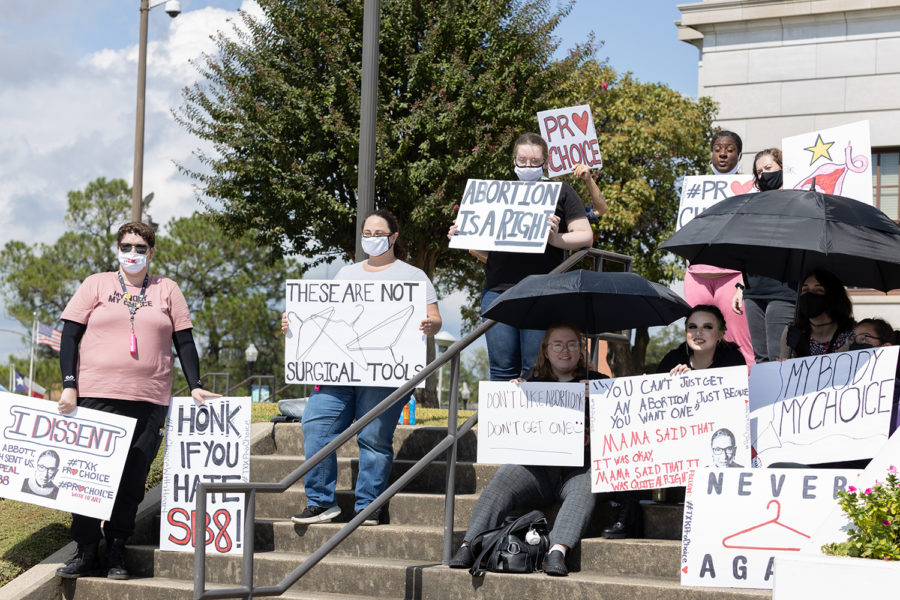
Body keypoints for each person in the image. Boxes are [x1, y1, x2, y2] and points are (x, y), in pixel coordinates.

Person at [56, 222, 219, 580]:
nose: (133, 253)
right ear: (117, 249)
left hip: (149, 401)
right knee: (85, 477)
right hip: (95, 397)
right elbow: (69, 337)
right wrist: (69, 384)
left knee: (131, 479)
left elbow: (185, 342)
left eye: (140, 248)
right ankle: (85, 550)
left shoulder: (167, 290)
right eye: (126, 246)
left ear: (152, 252)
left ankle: (116, 549)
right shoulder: (95, 284)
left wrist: (195, 384)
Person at [288, 209, 442, 526]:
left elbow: (435, 318)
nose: (372, 239)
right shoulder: (347, 274)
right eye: (366, 234)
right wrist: (295, 320)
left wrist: (430, 325)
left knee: (373, 435)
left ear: (394, 237)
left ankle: (368, 505)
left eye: (379, 234)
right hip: (340, 369)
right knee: (317, 425)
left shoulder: (414, 277)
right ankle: (320, 502)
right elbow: (329, 315)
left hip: (386, 373)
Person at [448, 324, 605, 577]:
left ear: (581, 349)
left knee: (586, 487)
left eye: (572, 344)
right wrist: (514, 397)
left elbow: (620, 430)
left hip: (578, 470)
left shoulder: (599, 383)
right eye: (558, 344)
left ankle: (557, 552)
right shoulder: (531, 382)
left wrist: (599, 400)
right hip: (538, 471)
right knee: (504, 476)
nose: (565, 350)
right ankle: (469, 544)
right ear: (545, 350)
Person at [448, 133, 595, 381]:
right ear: (514, 160)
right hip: (498, 291)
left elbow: (585, 236)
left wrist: (555, 239)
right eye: (522, 160)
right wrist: (464, 236)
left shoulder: (561, 192)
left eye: (534, 161)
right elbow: (484, 252)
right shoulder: (495, 193)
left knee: (535, 366)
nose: (528, 166)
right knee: (501, 367)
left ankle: (536, 419)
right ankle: (502, 421)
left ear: (545, 163)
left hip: (543, 292)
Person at [683, 131, 754, 365]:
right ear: (711, 153)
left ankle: (749, 392)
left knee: (738, 338)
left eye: (730, 149)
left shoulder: (749, 189)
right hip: (697, 275)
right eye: (718, 149)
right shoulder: (695, 188)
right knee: (697, 336)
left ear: (739, 154)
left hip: (732, 276)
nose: (723, 154)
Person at [731, 148, 797, 362]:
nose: (763, 175)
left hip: (784, 290)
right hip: (754, 291)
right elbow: (749, 249)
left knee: (779, 357)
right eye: (759, 172)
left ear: (783, 168)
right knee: (761, 358)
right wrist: (741, 286)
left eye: (768, 168)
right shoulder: (754, 205)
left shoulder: (798, 200)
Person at [781, 268, 854, 359]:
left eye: (818, 290)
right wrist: (793, 354)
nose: (809, 295)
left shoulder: (851, 334)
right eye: (805, 290)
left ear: (833, 296)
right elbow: (784, 370)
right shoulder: (792, 332)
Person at [657, 305, 747, 374]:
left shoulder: (733, 359)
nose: (698, 333)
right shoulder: (672, 360)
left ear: (720, 334)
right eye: (692, 327)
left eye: (707, 327)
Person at [850, 318, 900, 435]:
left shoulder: (896, 398)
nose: (856, 343)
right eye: (852, 340)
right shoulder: (837, 394)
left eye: (864, 338)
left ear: (886, 348)